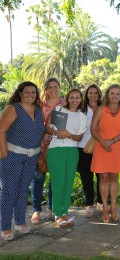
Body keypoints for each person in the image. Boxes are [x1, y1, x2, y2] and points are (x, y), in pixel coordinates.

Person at [0, 82, 45, 240]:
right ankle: (5, 226)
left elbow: (40, 131)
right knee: (9, 191)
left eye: (33, 92)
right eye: (27, 92)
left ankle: (20, 222)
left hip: (31, 157)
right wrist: (4, 153)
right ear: (20, 93)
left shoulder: (38, 110)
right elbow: (1, 130)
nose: (31, 94)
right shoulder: (12, 109)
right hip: (12, 156)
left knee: (22, 190)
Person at [45, 89, 87, 227]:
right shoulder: (59, 110)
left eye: (77, 97)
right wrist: (57, 132)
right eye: (72, 97)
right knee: (58, 183)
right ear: (67, 98)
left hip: (72, 151)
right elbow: (47, 128)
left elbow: (79, 137)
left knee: (68, 183)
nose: (75, 100)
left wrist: (68, 135)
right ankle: (58, 213)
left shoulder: (81, 116)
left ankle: (65, 211)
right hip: (56, 149)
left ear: (81, 99)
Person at [91, 84, 120, 223]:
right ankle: (104, 209)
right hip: (101, 147)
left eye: (118, 94)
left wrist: (111, 141)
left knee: (114, 177)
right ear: (107, 94)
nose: (115, 96)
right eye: (112, 93)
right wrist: (103, 142)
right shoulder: (100, 109)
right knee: (102, 177)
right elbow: (93, 129)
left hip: (117, 148)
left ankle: (113, 208)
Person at [31, 77, 65, 225]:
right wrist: (40, 144)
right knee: (38, 178)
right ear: (46, 89)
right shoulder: (39, 105)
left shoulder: (65, 103)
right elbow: (35, 125)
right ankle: (37, 210)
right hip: (40, 145)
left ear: (59, 87)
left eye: (56, 86)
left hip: (59, 145)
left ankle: (52, 208)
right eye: (50, 87)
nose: (53, 89)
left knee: (55, 179)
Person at [77, 84, 103, 218]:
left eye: (95, 93)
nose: (93, 95)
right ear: (86, 95)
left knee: (101, 176)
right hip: (83, 147)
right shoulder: (81, 110)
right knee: (86, 177)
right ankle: (89, 205)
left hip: (100, 147)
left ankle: (100, 202)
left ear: (99, 95)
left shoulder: (104, 109)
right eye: (90, 93)